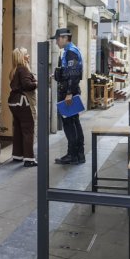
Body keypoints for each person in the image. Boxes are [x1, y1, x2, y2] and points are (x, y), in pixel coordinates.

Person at [51, 28, 84, 165]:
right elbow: (70, 72)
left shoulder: (71, 52)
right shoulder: (70, 51)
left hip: (69, 94)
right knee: (73, 123)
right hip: (69, 91)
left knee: (70, 124)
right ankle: (78, 154)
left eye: (58, 39)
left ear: (64, 38)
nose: (57, 42)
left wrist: (69, 93)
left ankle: (74, 155)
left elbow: (75, 73)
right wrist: (57, 75)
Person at [7, 47, 38, 167]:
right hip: (23, 103)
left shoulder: (14, 70)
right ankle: (29, 159)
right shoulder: (23, 69)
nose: (29, 55)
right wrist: (37, 83)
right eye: (26, 54)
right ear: (22, 57)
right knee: (28, 130)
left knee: (18, 129)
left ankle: (17, 155)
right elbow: (27, 85)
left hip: (13, 103)